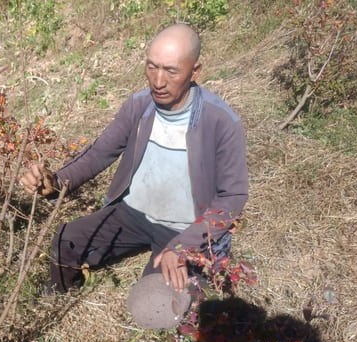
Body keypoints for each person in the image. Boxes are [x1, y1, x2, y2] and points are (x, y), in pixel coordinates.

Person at [20, 24, 248, 314]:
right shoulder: (139, 106)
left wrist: (184, 246)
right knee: (66, 240)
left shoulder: (221, 121)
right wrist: (56, 181)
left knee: (154, 308)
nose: (158, 80)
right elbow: (100, 152)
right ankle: (55, 302)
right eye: (151, 67)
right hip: (132, 213)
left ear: (195, 71)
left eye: (171, 71)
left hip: (184, 228)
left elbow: (232, 197)